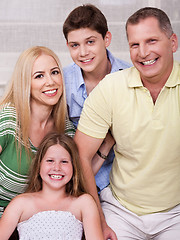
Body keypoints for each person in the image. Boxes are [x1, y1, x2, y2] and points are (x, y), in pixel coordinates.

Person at [74, 7, 180, 240]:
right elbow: (80, 155)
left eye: (151, 41)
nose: (143, 52)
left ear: (173, 42)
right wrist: (99, 220)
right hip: (121, 211)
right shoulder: (110, 88)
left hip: (175, 213)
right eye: (134, 45)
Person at [0, 46, 75, 238]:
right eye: (39, 76)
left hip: (31, 222)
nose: (50, 82)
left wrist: (106, 146)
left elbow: (82, 170)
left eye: (55, 72)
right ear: (26, 82)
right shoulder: (8, 121)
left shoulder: (64, 129)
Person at [63, 4, 131, 192]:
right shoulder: (61, 82)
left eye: (90, 42)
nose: (83, 52)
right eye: (74, 45)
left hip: (122, 184)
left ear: (106, 39)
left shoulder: (131, 76)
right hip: (79, 181)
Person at [0, 133, 104, 240]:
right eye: (50, 161)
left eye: (64, 162)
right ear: (39, 164)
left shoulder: (84, 202)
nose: (57, 168)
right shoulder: (20, 203)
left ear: (73, 166)